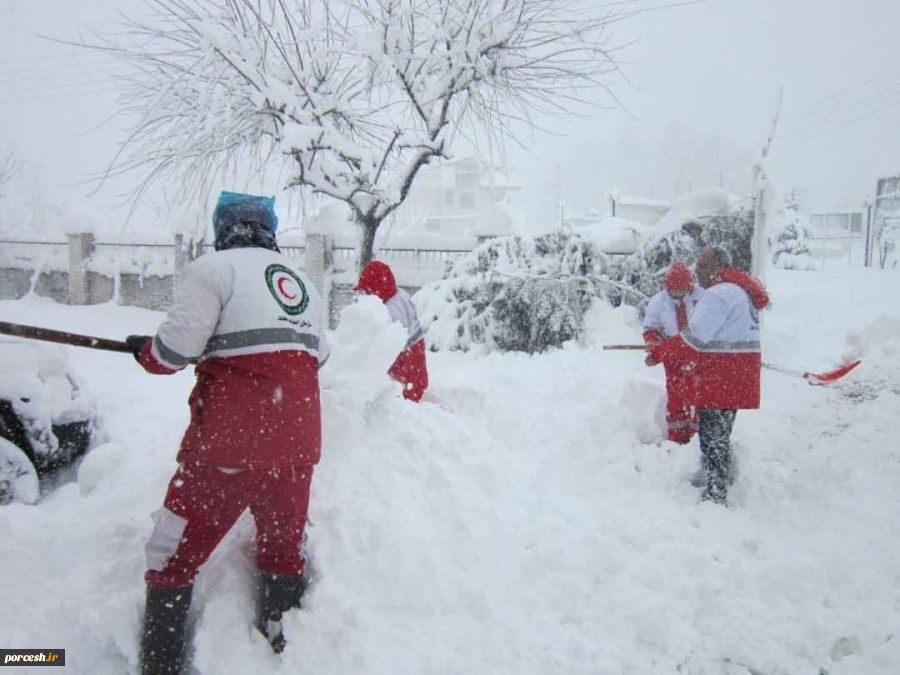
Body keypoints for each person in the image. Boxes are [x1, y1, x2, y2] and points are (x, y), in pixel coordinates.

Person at [124, 190, 329, 674]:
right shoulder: (304, 283)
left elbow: (172, 353)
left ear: (223, 229)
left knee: (170, 554)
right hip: (298, 445)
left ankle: (160, 665)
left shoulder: (212, 272)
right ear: (269, 230)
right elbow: (316, 357)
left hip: (229, 445)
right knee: (281, 552)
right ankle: (281, 651)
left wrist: (144, 350)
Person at [648, 246, 769, 505]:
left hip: (721, 376)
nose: (697, 270)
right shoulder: (738, 292)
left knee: (714, 438)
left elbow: (693, 339)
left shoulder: (718, 295)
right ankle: (715, 483)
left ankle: (716, 495)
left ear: (717, 267)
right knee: (718, 434)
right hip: (735, 374)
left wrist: (660, 353)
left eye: (702, 265)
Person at [643, 261, 704, 444]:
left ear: (689, 284)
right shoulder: (658, 302)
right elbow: (650, 328)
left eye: (681, 291)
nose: (677, 295)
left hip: (699, 355)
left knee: (700, 396)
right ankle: (677, 438)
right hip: (672, 356)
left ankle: (699, 436)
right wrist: (654, 341)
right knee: (676, 394)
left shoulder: (703, 298)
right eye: (673, 291)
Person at [353, 260, 429, 402]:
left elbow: (389, 344)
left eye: (367, 291)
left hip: (407, 358)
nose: (366, 295)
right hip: (413, 353)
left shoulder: (392, 309)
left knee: (402, 396)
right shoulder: (399, 294)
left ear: (376, 288)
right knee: (407, 389)